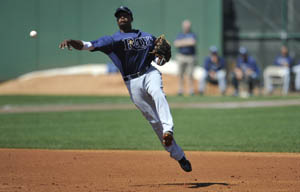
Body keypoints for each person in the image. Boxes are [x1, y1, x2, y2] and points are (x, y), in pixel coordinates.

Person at [58, 6, 191, 172]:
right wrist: (72, 42)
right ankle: (179, 156)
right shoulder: (112, 41)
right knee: (153, 121)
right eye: (119, 16)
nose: (122, 18)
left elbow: (159, 60)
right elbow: (88, 45)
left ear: (131, 18)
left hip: (149, 73)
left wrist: (162, 59)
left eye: (125, 15)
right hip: (132, 83)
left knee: (158, 93)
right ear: (117, 20)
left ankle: (168, 129)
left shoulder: (148, 37)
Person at [173, 20, 197, 96]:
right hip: (181, 56)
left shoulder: (192, 34)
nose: (187, 27)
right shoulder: (180, 35)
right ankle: (180, 90)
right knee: (180, 74)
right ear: (183, 27)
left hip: (190, 57)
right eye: (185, 26)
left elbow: (193, 42)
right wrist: (187, 42)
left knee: (190, 74)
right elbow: (176, 44)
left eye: (188, 26)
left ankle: (191, 90)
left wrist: (182, 42)